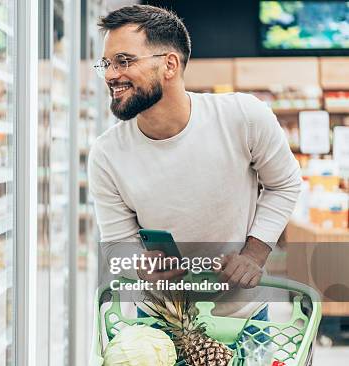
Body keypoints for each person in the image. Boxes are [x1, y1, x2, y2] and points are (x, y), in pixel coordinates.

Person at [88, 4, 301, 318]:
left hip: (244, 312)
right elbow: (118, 242)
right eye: (106, 63)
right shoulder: (107, 155)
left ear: (170, 65)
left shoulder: (243, 117)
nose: (110, 74)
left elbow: (285, 184)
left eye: (124, 61)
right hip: (161, 317)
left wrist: (254, 255)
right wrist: (139, 267)